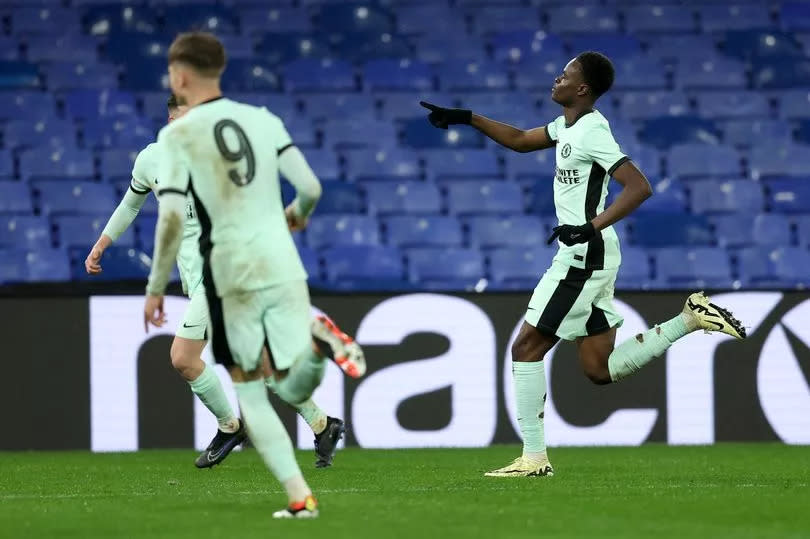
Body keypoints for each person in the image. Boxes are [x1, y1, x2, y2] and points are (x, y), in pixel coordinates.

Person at [420, 51, 746, 478]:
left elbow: (639, 186)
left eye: (566, 74)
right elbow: (520, 140)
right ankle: (688, 319)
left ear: (582, 89)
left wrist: (591, 226)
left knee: (525, 347)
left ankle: (534, 459)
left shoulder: (592, 131)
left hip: (584, 255)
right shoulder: (567, 126)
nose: (557, 77)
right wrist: (467, 117)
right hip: (590, 251)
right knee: (598, 369)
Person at [88, 93, 363, 472]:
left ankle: (230, 427)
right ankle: (322, 425)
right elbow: (131, 204)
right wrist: (102, 243)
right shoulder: (151, 160)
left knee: (183, 358)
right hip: (199, 279)